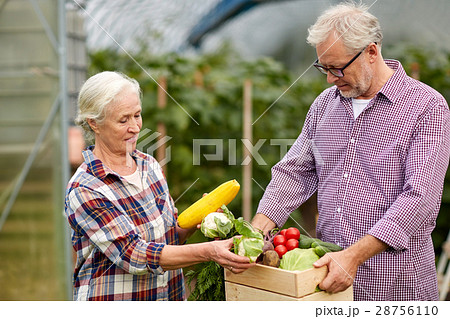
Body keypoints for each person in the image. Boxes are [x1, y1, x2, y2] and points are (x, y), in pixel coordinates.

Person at [252, 2, 450, 301]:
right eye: (324, 68)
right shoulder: (324, 105)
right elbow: (296, 171)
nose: (330, 78)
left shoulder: (426, 108)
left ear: (371, 52)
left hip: (394, 284)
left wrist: (354, 257)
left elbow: (419, 199)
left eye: (337, 67)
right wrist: (257, 230)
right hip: (327, 275)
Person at [65, 71, 254, 301]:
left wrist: (199, 217)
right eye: (123, 120)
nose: (135, 127)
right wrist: (208, 252)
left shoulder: (149, 166)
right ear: (94, 123)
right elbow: (134, 254)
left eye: (137, 115)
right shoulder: (85, 189)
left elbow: (169, 238)